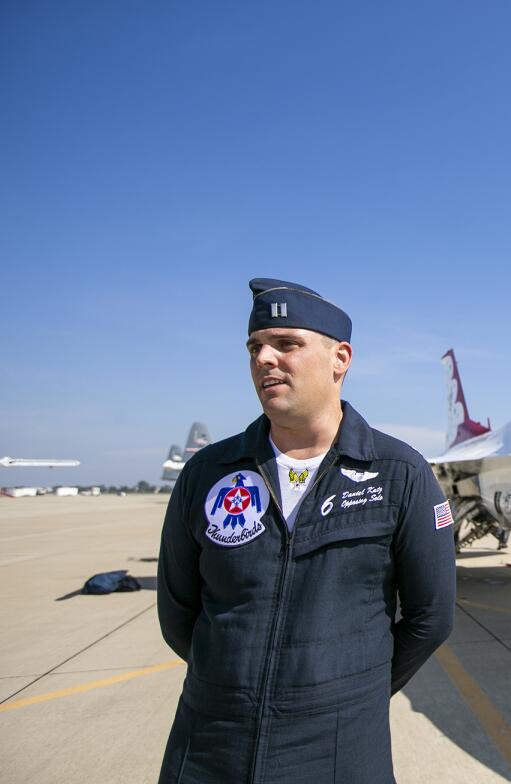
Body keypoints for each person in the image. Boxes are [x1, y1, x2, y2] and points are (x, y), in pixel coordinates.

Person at [157, 278, 455, 783]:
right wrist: (235, 678)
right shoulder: (208, 472)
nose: (264, 359)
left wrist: (346, 692)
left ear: (340, 359)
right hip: (210, 743)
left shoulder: (399, 473)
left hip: (338, 750)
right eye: (255, 347)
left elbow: (431, 617)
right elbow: (178, 610)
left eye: (287, 344)